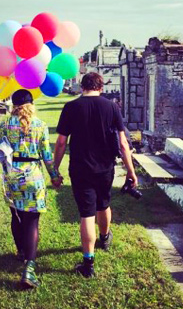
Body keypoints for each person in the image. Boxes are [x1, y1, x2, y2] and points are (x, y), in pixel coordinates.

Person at [53, 72, 138, 278]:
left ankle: (88, 263)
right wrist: (131, 171)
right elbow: (123, 143)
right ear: (101, 87)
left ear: (83, 87)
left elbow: (61, 142)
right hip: (105, 167)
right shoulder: (112, 107)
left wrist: (55, 169)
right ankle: (105, 237)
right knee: (103, 204)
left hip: (80, 168)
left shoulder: (71, 107)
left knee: (87, 214)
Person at [0, 89, 62, 288]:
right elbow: (47, 156)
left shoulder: (6, 124)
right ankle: (29, 269)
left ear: (14, 105)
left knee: (16, 216)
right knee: (31, 222)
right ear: (31, 104)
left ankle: (21, 252)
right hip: (33, 178)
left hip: (12, 177)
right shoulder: (40, 125)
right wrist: (54, 176)